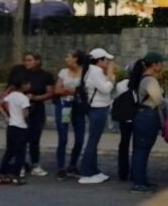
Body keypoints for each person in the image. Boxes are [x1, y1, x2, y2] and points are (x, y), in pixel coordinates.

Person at [7, 52, 53, 176]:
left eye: (30, 60)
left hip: (36, 108)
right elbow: (10, 88)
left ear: (37, 61)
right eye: (25, 60)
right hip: (19, 109)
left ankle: (35, 163)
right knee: (20, 137)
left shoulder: (45, 75)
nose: (27, 63)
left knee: (35, 137)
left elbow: (50, 92)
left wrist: (36, 97)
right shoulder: (19, 72)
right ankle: (19, 163)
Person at [129, 52, 166, 193]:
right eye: (160, 63)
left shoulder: (143, 78)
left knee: (142, 149)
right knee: (142, 150)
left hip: (143, 115)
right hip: (147, 115)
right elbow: (159, 100)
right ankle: (139, 183)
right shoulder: (149, 80)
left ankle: (142, 180)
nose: (162, 66)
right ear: (155, 64)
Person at [79, 48, 116, 185]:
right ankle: (87, 173)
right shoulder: (96, 71)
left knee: (94, 141)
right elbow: (105, 88)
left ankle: (93, 170)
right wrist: (111, 76)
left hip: (97, 108)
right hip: (97, 108)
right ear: (99, 60)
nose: (107, 62)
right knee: (93, 141)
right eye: (105, 60)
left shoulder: (92, 70)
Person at [53, 50, 86, 180]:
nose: (66, 59)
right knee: (63, 136)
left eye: (68, 56)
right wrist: (71, 91)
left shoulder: (85, 73)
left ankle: (73, 164)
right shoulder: (63, 72)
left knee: (80, 137)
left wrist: (69, 91)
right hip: (64, 105)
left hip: (77, 106)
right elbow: (57, 89)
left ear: (76, 59)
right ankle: (61, 167)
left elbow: (84, 91)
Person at [0, 76, 31, 185]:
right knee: (21, 152)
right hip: (21, 126)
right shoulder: (24, 98)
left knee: (9, 151)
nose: (29, 85)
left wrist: (6, 116)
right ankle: (16, 176)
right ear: (23, 85)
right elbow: (25, 113)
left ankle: (2, 174)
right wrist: (28, 119)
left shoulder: (11, 95)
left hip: (11, 125)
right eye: (28, 83)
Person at [114, 62, 138, 183]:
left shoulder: (120, 85)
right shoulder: (140, 84)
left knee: (124, 144)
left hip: (124, 117)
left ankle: (122, 172)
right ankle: (136, 172)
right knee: (137, 145)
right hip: (137, 117)